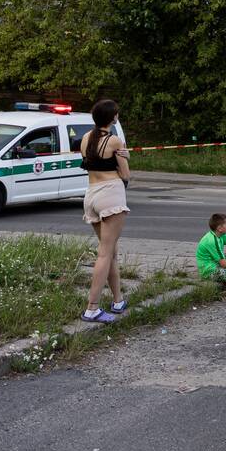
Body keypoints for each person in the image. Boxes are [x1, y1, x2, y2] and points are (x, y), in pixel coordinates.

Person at [80, 99, 134, 323]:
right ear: (113, 118)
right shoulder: (114, 141)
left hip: (91, 193)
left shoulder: (86, 138)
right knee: (105, 253)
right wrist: (125, 157)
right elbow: (126, 175)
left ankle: (118, 300)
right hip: (111, 193)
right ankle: (92, 308)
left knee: (110, 251)